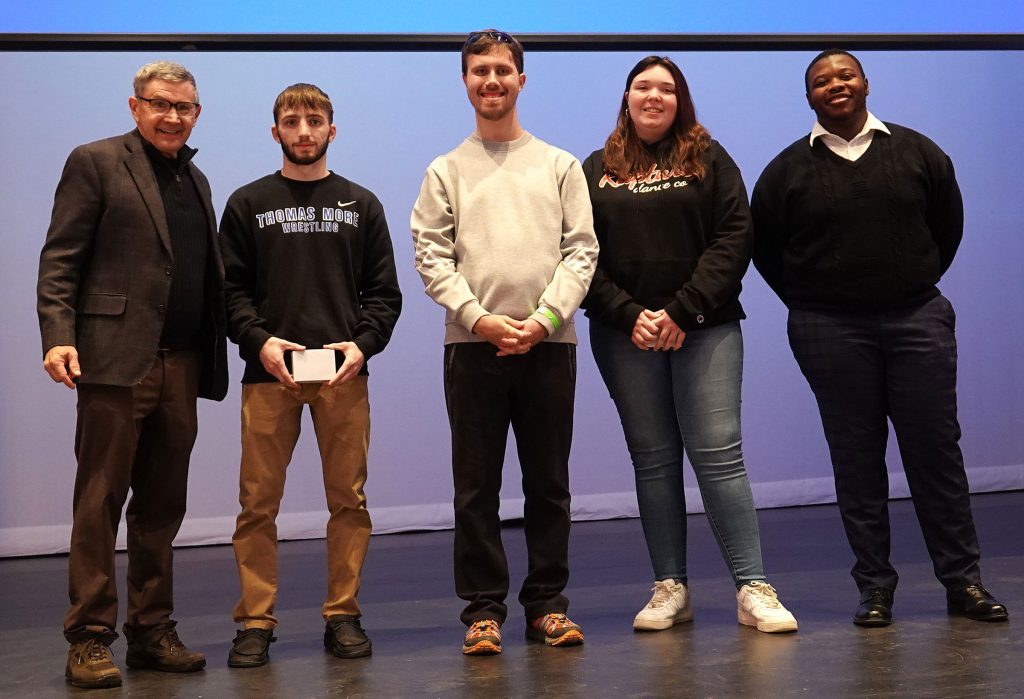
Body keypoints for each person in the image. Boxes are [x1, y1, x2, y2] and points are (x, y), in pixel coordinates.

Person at [751, 50, 1008, 626]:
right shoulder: (785, 170)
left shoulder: (918, 151)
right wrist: (816, 300)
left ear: (866, 83)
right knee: (856, 459)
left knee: (936, 455)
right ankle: (875, 589)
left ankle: (963, 584)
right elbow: (766, 251)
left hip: (916, 318)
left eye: (845, 75)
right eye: (821, 81)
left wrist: (907, 279)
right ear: (809, 97)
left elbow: (948, 227)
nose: (835, 85)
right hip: (828, 328)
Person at [581, 56, 798, 635]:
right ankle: (670, 587)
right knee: (653, 461)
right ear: (626, 98)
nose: (654, 96)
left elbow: (735, 235)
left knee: (719, 456)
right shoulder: (596, 167)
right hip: (626, 335)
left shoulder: (708, 157)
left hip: (706, 329)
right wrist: (631, 315)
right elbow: (578, 253)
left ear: (681, 100)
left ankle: (753, 587)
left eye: (666, 89)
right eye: (643, 87)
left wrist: (682, 310)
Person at [37, 60, 228, 689]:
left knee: (162, 508)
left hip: (181, 364)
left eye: (185, 107)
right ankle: (90, 638)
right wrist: (59, 336)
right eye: (161, 104)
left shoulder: (196, 180)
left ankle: (151, 631)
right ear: (134, 106)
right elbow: (61, 258)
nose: (173, 116)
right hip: (114, 365)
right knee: (99, 502)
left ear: (196, 114)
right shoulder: (94, 162)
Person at [411, 29, 599, 655]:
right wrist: (479, 318)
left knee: (549, 483)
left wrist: (544, 321)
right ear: (464, 82)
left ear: (521, 79)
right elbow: (431, 255)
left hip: (551, 344)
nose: (491, 81)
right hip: (472, 348)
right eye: (479, 71)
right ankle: (483, 611)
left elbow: (582, 251)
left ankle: (547, 605)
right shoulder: (445, 170)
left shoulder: (560, 164)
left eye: (501, 70)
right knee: (476, 485)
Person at [219, 83, 402, 666]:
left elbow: (385, 294)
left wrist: (363, 347)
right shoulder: (248, 204)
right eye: (292, 121)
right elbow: (228, 292)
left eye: (314, 120)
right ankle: (254, 621)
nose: (303, 131)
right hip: (267, 373)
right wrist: (260, 341)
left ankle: (343, 615)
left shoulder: (361, 204)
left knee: (348, 500)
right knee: (257, 506)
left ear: (332, 130)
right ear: (275, 132)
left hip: (343, 377)